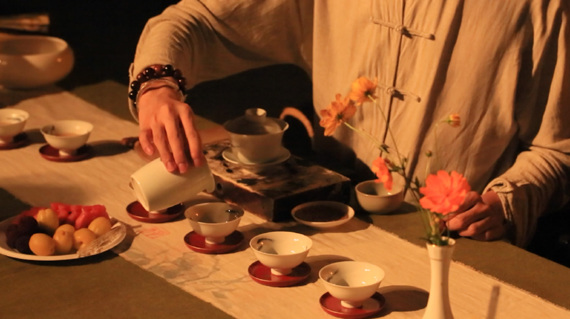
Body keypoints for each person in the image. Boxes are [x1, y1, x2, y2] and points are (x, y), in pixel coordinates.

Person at [128, 0, 570, 247]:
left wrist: (505, 204)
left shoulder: (536, 8)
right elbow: (197, 20)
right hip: (322, 219)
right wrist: (157, 86)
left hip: (448, 241)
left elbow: (559, 148)